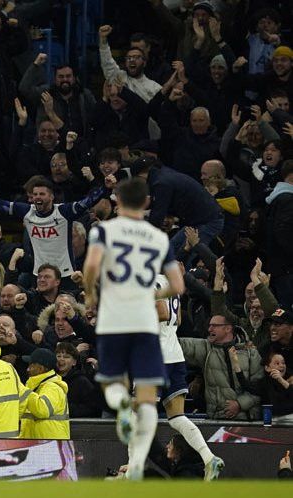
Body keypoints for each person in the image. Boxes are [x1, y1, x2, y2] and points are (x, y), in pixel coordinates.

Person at [82, 177, 185, 481]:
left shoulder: (104, 230)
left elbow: (91, 267)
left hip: (114, 319)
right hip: (143, 322)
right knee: (148, 397)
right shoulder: (159, 238)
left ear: (116, 201)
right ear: (147, 202)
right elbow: (177, 285)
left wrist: (90, 294)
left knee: (115, 384)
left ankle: (121, 408)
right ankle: (137, 465)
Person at [154, 273, 225, 479]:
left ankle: (132, 468)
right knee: (177, 417)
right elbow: (178, 318)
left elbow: (162, 312)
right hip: (174, 354)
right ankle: (209, 458)